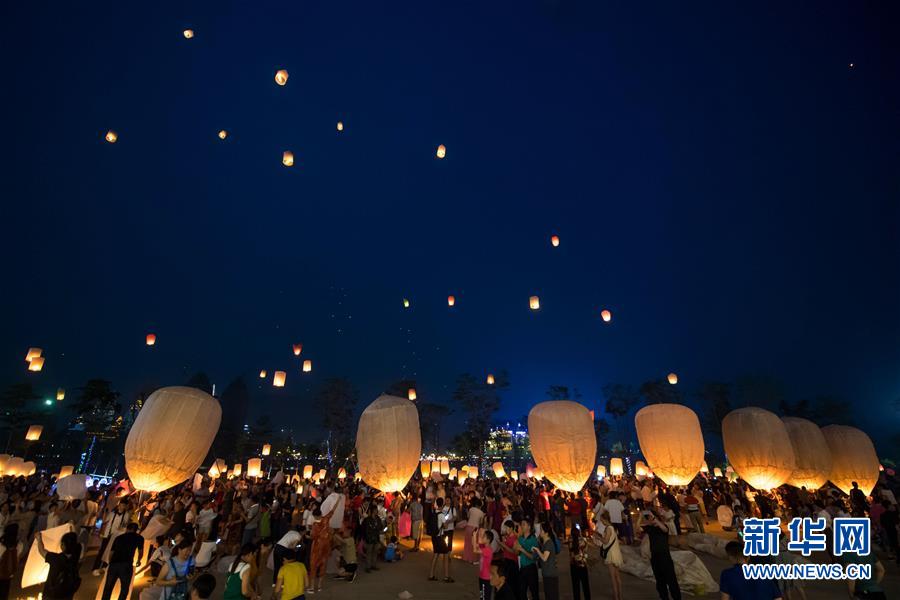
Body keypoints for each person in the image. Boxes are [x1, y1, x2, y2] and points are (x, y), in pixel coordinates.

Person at [642, 508, 681, 600]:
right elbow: (637, 528)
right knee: (660, 581)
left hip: (665, 557)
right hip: (655, 558)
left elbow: (665, 530)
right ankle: (664, 598)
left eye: (652, 517)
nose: (651, 519)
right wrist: (640, 516)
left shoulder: (663, 526)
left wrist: (655, 519)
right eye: (649, 518)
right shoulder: (650, 528)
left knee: (671, 581)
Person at [101, 522, 144, 600]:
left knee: (108, 588)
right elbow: (140, 552)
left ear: (127, 529)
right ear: (136, 530)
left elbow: (111, 552)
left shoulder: (119, 537)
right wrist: (138, 560)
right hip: (126, 565)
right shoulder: (139, 538)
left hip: (114, 564)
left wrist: (110, 563)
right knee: (124, 589)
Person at [37, 531, 82, 600]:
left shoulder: (55, 559)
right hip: (67, 596)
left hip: (51, 596)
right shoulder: (75, 558)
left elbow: (41, 550)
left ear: (63, 546)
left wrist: (39, 538)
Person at [428, 497, 455, 583]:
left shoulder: (434, 513)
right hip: (440, 537)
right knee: (446, 554)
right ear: (442, 503)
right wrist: (445, 521)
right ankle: (446, 576)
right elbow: (446, 526)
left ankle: (431, 575)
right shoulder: (442, 514)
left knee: (436, 554)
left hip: (434, 536)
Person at [598, 512, 623, 600]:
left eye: (602, 520)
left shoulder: (608, 528)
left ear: (605, 519)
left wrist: (598, 537)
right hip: (616, 553)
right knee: (617, 577)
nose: (601, 522)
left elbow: (605, 541)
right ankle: (620, 596)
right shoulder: (613, 528)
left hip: (611, 554)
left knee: (613, 577)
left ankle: (616, 597)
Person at [535, 521, 560, 600]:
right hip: (547, 574)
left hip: (550, 575)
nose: (540, 532)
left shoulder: (548, 543)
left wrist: (537, 550)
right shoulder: (545, 543)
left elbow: (544, 558)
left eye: (541, 530)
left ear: (546, 533)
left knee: (551, 596)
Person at [516, 519, 539, 600]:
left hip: (531, 568)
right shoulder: (520, 538)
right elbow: (517, 553)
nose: (522, 526)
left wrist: (522, 549)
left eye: (524, 524)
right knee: (521, 592)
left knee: (534, 593)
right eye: (521, 524)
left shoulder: (533, 539)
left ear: (529, 527)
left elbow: (534, 557)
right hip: (522, 568)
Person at [569, 525, 590, 600]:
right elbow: (586, 550)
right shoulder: (583, 540)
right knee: (585, 586)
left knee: (575, 587)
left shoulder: (570, 541)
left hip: (573, 566)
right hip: (583, 565)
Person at [362, 504, 383, 573]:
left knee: (375, 552)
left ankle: (373, 565)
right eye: (375, 510)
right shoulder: (367, 520)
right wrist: (365, 538)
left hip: (376, 537)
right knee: (369, 553)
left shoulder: (378, 518)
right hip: (369, 538)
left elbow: (380, 527)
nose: (376, 511)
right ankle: (368, 567)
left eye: (376, 510)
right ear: (371, 511)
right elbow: (365, 530)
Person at [0, 524, 19, 600]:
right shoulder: (19, 546)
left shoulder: (1, 546)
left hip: (1, 574)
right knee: (4, 595)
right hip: (8, 576)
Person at [476, 530, 494, 600]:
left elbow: (475, 550)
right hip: (481, 576)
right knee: (482, 595)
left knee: (485, 597)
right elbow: (474, 545)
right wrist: (475, 536)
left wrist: (474, 536)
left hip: (486, 578)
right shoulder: (484, 547)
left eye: (484, 537)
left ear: (488, 540)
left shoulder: (488, 550)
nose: (482, 538)